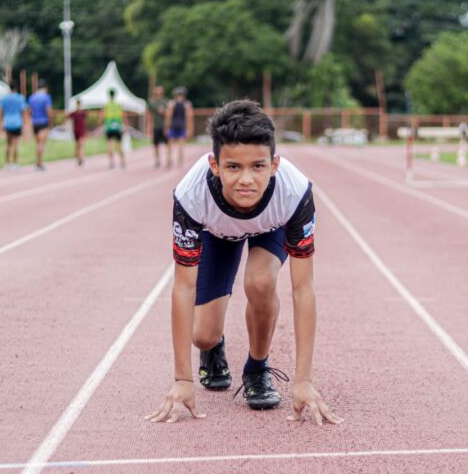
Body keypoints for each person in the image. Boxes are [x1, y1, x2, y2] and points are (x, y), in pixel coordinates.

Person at [145, 100, 341, 426]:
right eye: (233, 167)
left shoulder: (294, 192)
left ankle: (257, 368)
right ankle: (213, 349)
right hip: (217, 233)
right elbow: (183, 287)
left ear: (274, 165)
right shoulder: (192, 195)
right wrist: (183, 379)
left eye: (258, 167)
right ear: (215, 165)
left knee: (261, 281)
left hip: (270, 228)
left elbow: (303, 289)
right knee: (203, 334)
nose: (246, 180)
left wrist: (303, 380)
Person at [0, 80, 28, 170]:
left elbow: (0, 111)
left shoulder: (4, 98)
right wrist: (25, 123)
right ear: (16, 88)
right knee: (16, 144)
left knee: (7, 144)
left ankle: (7, 163)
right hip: (17, 122)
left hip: (7, 122)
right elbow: (23, 112)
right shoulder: (20, 98)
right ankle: (15, 163)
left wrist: (1, 122)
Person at [164, 86, 193, 169]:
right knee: (178, 145)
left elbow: (168, 116)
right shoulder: (186, 104)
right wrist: (189, 129)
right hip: (179, 126)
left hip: (176, 126)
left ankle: (172, 161)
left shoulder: (173, 103)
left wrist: (167, 127)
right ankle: (176, 162)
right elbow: (189, 117)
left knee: (174, 145)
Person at [28, 80, 54, 171]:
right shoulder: (46, 97)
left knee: (37, 143)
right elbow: (49, 111)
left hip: (34, 122)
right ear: (45, 87)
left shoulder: (32, 97)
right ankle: (39, 163)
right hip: (43, 122)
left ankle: (37, 162)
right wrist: (51, 123)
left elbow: (30, 111)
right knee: (41, 143)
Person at [103, 88, 125, 170]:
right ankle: (122, 162)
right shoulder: (118, 105)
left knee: (110, 146)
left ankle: (111, 162)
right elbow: (122, 116)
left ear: (109, 95)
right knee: (119, 146)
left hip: (109, 127)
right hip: (118, 127)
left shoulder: (107, 105)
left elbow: (103, 116)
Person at [148, 85, 168, 168]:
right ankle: (157, 159)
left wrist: (164, 112)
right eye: (157, 91)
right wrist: (149, 126)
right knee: (156, 144)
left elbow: (169, 113)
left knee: (168, 144)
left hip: (164, 126)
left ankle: (168, 159)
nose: (158, 93)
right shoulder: (152, 102)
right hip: (156, 126)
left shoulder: (166, 101)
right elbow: (149, 114)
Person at [68, 99, 87, 167]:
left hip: (81, 130)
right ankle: (78, 158)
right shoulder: (74, 113)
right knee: (77, 145)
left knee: (81, 144)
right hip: (76, 130)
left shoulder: (83, 112)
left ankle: (81, 158)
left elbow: (85, 120)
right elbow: (69, 118)